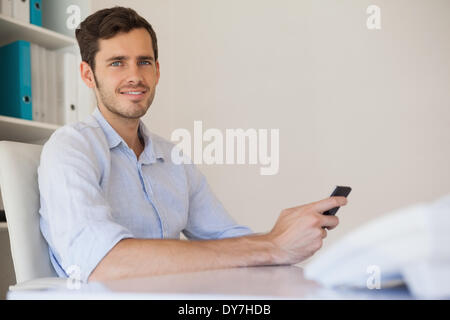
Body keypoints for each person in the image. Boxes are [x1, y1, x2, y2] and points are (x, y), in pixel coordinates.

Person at [38, 6, 346, 284]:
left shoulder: (173, 158)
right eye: (117, 63)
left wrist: (282, 234)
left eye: (143, 62)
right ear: (87, 75)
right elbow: (103, 262)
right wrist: (272, 244)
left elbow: (228, 239)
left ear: (157, 72)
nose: (135, 76)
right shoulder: (70, 149)